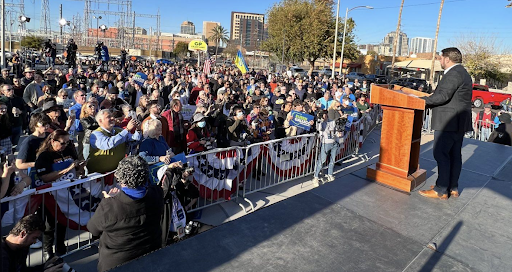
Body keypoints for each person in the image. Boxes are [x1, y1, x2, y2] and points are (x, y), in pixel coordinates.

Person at [87, 155, 164, 272]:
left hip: (118, 262)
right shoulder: (156, 193)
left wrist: (109, 200)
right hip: (151, 255)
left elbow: (93, 228)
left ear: (120, 178)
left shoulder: (110, 206)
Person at [419, 47, 473, 199]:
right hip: (458, 122)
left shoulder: (453, 73)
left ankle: (441, 189)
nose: (440, 60)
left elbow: (442, 96)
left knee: (441, 153)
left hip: (448, 122)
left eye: (441, 58)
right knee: (454, 155)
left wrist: (418, 101)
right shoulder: (463, 72)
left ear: (448, 59)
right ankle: (452, 186)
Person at [35, 129, 86, 257]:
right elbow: (44, 177)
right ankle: (48, 250)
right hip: (50, 194)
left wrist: (80, 167)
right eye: (62, 143)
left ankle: (60, 246)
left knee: (63, 220)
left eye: (68, 143)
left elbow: (77, 169)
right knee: (50, 223)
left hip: (67, 192)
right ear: (53, 141)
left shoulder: (68, 150)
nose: (65, 146)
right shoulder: (44, 156)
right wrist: (66, 169)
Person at [1, 214, 65, 272]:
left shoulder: (22, 247)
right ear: (23, 234)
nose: (34, 242)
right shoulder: (3, 255)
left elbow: (23, 270)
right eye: (34, 238)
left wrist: (45, 266)